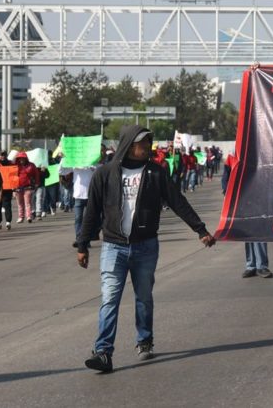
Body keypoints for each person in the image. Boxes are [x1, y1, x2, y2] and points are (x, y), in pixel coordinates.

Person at [76, 125, 215, 373]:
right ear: (129, 144)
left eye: (149, 142)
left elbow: (177, 202)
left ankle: (144, 340)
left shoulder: (156, 173)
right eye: (142, 142)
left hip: (146, 246)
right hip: (113, 247)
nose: (147, 146)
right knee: (109, 299)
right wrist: (83, 244)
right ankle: (103, 352)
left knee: (144, 297)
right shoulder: (105, 173)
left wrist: (201, 230)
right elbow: (92, 211)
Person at [12, 152, 39, 223]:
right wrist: (13, 187)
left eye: (23, 159)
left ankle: (29, 216)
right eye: (20, 159)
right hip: (18, 187)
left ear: (26, 158)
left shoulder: (31, 165)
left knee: (28, 203)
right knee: (20, 203)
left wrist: (36, 183)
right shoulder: (15, 166)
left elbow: (36, 174)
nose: (21, 160)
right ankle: (21, 217)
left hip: (28, 187)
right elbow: (11, 176)